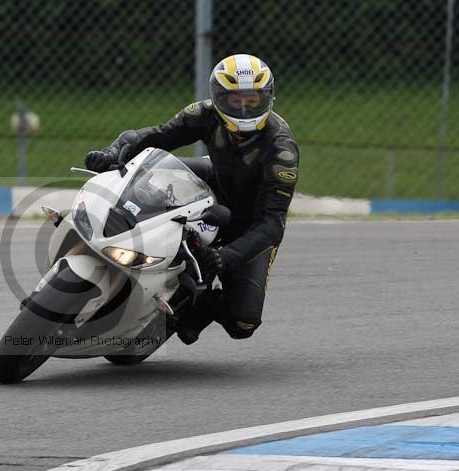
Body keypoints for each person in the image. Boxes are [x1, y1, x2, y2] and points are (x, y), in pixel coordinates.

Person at [85, 54, 299, 345]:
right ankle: (114, 236)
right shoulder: (205, 114)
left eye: (253, 100)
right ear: (218, 98)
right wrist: (112, 153)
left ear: (268, 98)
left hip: (251, 223)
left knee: (244, 322)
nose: (245, 109)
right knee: (150, 170)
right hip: (214, 180)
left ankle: (201, 303)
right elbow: (155, 137)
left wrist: (227, 257)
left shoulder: (282, 151)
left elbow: (273, 224)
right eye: (235, 100)